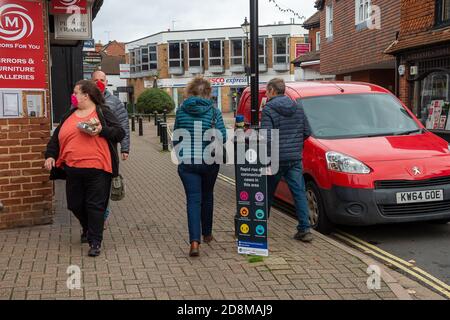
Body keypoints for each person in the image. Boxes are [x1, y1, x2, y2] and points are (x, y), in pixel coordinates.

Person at [45, 80, 125, 257]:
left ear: (86, 95)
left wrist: (101, 130)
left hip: (99, 168)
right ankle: (88, 228)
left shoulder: (103, 112)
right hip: (73, 169)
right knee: (74, 204)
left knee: (95, 205)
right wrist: (50, 155)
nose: (73, 96)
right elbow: (55, 139)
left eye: (76, 93)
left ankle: (95, 241)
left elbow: (119, 133)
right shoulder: (69, 114)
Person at [173, 76, 227, 257]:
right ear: (208, 92)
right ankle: (208, 234)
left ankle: (194, 242)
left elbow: (176, 138)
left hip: (188, 163)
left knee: (193, 201)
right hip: (209, 162)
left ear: (190, 91)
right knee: (208, 196)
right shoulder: (214, 112)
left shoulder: (181, 111)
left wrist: (182, 155)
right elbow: (223, 138)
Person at [260, 78, 313, 242]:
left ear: (272, 91)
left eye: (267, 92)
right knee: (299, 193)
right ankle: (305, 229)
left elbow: (266, 137)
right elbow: (307, 131)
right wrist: (295, 145)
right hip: (294, 158)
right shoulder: (297, 107)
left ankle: (261, 228)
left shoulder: (268, 109)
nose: (266, 95)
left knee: (267, 193)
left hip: (275, 159)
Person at [92, 71, 130, 230]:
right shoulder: (82, 99)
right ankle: (91, 217)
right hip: (87, 151)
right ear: (90, 82)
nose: (99, 83)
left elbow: (123, 125)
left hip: (108, 151)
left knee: (104, 187)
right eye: (96, 80)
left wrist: (125, 147)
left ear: (106, 82)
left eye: (102, 80)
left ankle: (102, 217)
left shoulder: (114, 102)